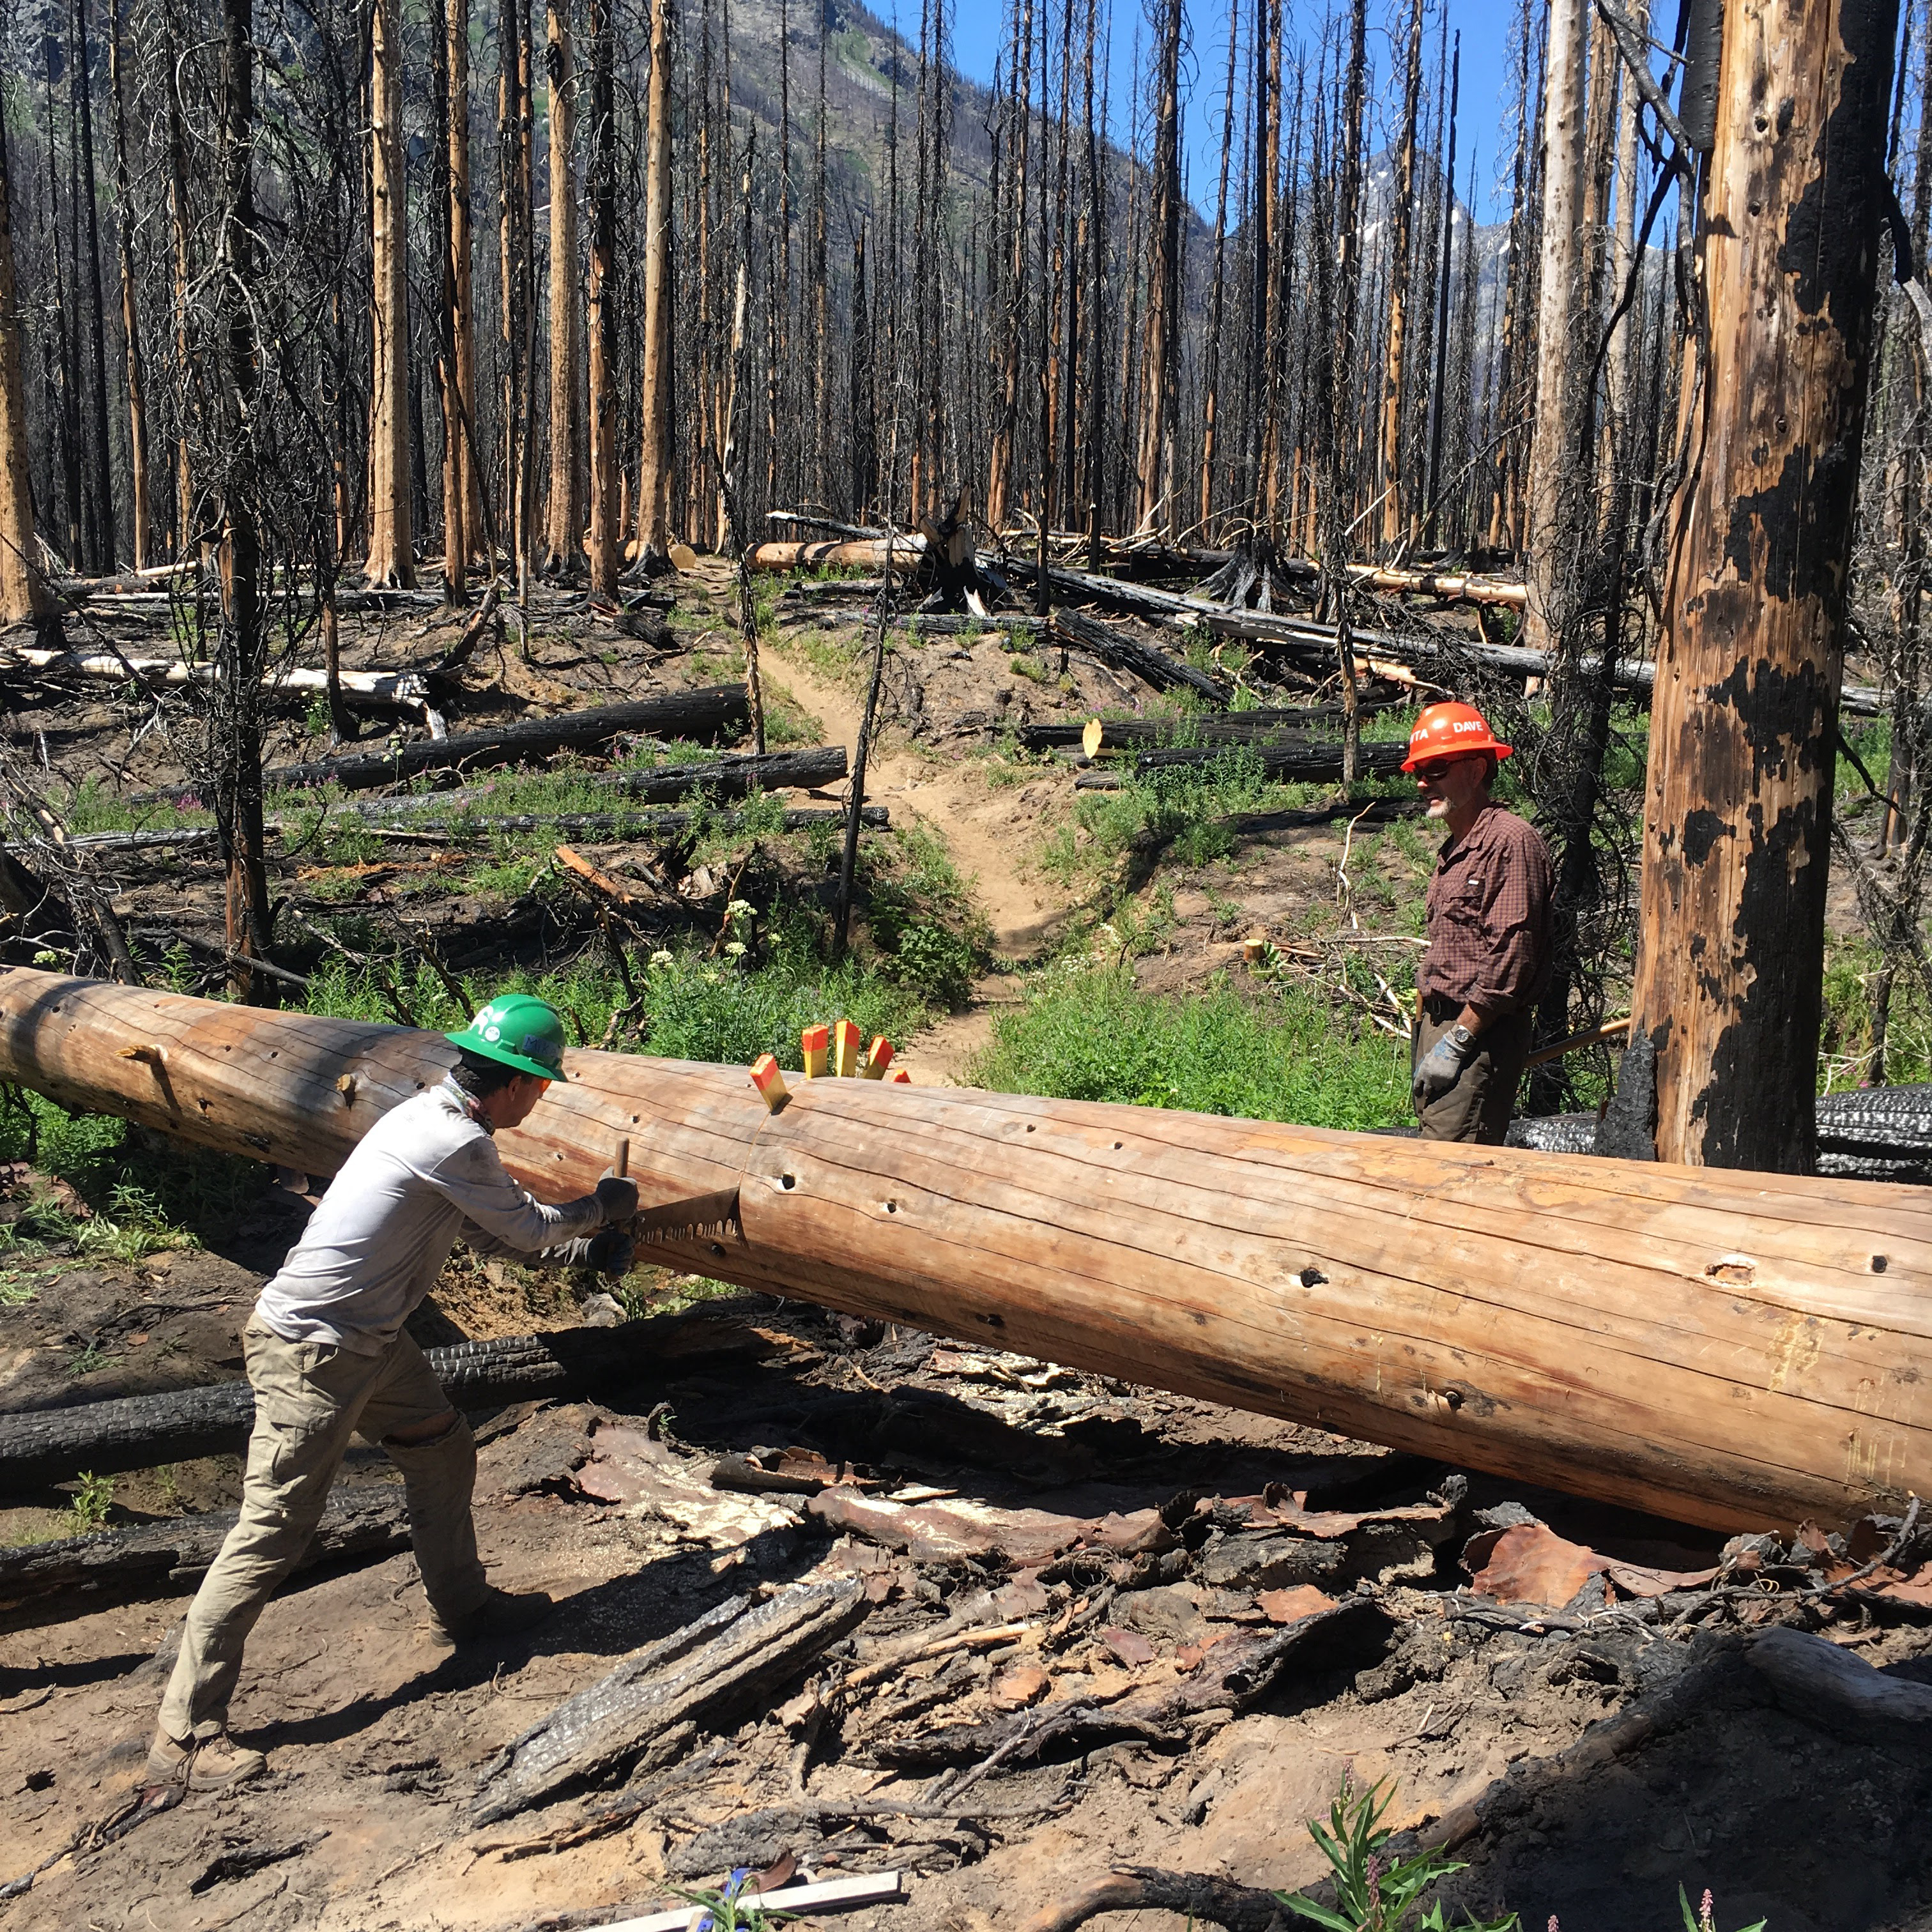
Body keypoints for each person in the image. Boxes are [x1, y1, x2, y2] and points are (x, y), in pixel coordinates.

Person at [146, 992, 640, 1792]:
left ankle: (465, 1610)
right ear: (518, 1083)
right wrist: (598, 1209)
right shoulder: (451, 1138)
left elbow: (485, 1234)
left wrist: (584, 1257)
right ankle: (187, 1732)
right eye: (542, 1087)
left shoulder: (432, 1123)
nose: (539, 1100)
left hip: (369, 1341)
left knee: (442, 1452)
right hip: (315, 1350)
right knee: (272, 1532)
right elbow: (527, 1227)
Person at [1405, 702, 1554, 1146]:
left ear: (1476, 769)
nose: (1423, 782)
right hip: (1441, 1028)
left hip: (1477, 1035)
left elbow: (1511, 956)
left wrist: (1458, 1040)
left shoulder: (1510, 842)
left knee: (1451, 1167)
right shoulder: (1456, 848)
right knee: (1434, 1154)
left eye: (1436, 769)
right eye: (1419, 771)